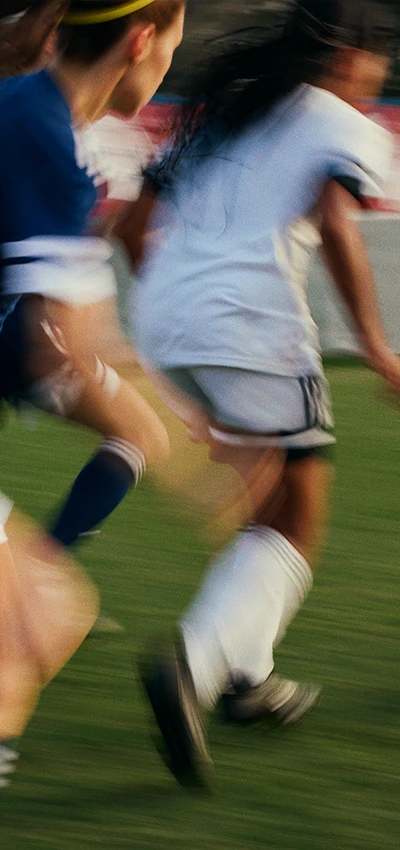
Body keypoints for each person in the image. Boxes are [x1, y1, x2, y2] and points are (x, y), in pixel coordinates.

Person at [129, 0, 400, 787]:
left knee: (268, 510)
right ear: (350, 56)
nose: (378, 74)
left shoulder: (224, 117)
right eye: (377, 56)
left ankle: (248, 679)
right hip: (252, 326)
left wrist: (184, 318)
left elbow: (129, 228)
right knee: (300, 518)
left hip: (165, 318)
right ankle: (194, 660)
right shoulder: (341, 122)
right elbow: (336, 223)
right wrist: (377, 347)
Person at [0, 0, 185, 787]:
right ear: (141, 40)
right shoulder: (44, 137)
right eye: (173, 47)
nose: (168, 65)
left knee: (37, 614)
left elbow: (61, 337)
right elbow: (61, 347)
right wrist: (199, 471)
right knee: (40, 617)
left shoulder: (31, 113)